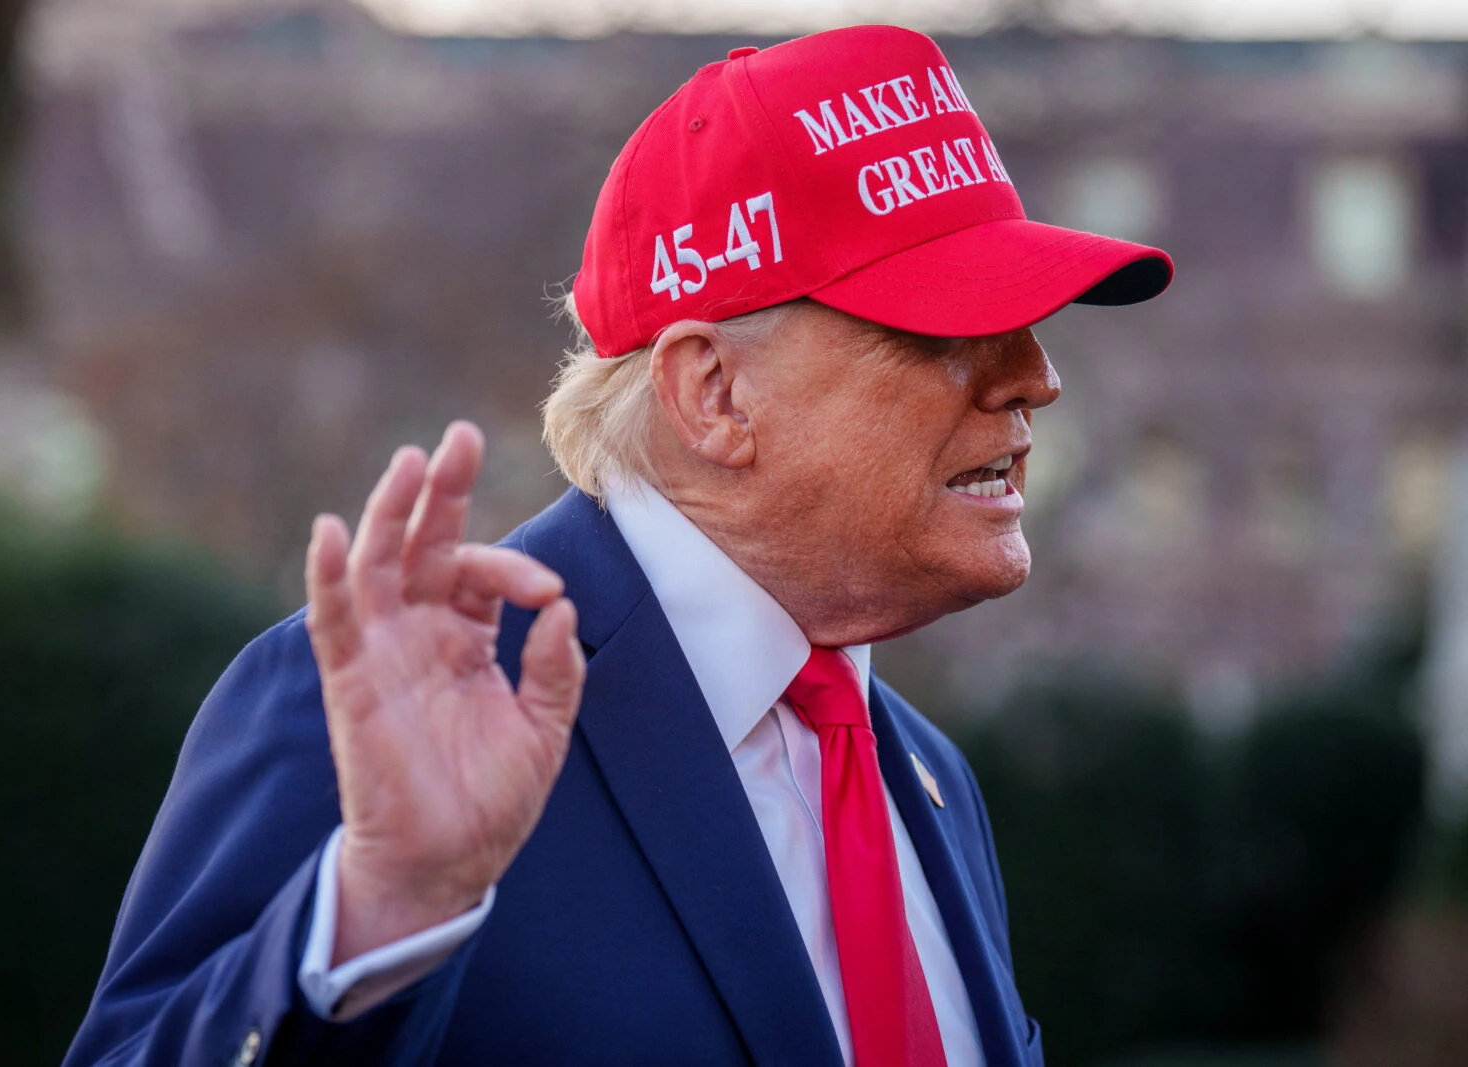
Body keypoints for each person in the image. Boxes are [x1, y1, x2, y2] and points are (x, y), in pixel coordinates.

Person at [64, 24, 1171, 1067]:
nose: (1035, 376)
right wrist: (377, 914)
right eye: (946, 330)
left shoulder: (927, 776)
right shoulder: (397, 709)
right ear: (714, 391)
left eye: (1028, 325)